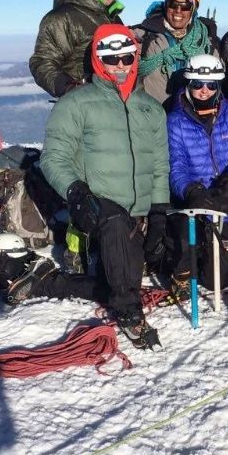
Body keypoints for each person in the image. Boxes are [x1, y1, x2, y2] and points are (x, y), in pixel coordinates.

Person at [29, 23, 170, 349]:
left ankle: (54, 283)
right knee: (123, 276)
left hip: (138, 214)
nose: (120, 66)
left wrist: (160, 211)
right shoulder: (77, 103)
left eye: (126, 58)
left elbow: (160, 165)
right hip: (96, 207)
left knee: (121, 284)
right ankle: (131, 316)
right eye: (111, 58)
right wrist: (75, 191)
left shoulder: (151, 109)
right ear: (97, 60)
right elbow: (54, 157)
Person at [166, 54, 228, 300]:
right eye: (197, 85)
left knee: (217, 280)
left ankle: (206, 252)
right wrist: (191, 190)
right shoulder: (175, 121)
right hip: (193, 202)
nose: (204, 91)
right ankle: (179, 267)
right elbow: (176, 164)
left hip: (226, 204)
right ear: (188, 84)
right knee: (184, 243)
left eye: (211, 85)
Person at [29, 0, 124, 97]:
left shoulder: (115, 20)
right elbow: (42, 62)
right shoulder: (64, 17)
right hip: (82, 108)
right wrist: (70, 90)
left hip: (114, 104)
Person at [131, 0, 220, 108]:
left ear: (193, 9)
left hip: (192, 121)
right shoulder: (143, 37)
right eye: (173, 4)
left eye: (185, 6)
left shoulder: (207, 43)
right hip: (153, 119)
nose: (178, 10)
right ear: (166, 4)